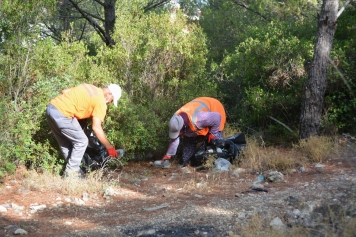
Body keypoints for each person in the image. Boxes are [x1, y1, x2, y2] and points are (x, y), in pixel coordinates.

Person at [46, 83, 122, 178]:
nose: (110, 102)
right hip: (63, 114)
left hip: (51, 109)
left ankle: (74, 170)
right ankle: (71, 172)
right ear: (109, 94)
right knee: (82, 141)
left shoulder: (89, 87)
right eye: (112, 100)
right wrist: (109, 147)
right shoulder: (101, 102)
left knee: (65, 143)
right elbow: (96, 127)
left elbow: (64, 91)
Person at [161, 97, 226, 168]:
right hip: (197, 117)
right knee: (189, 139)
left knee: (214, 142)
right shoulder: (175, 119)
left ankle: (218, 164)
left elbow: (217, 117)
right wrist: (168, 155)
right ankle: (186, 163)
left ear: (183, 127)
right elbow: (174, 139)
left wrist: (212, 134)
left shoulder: (199, 119)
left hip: (215, 108)